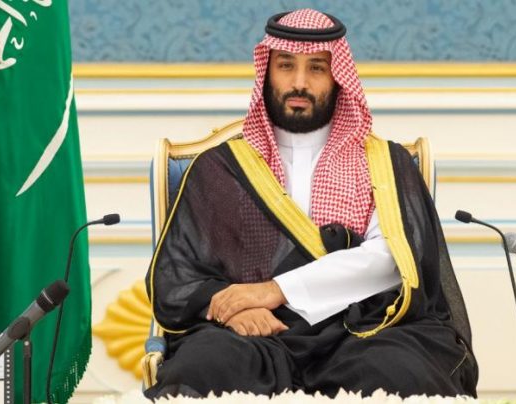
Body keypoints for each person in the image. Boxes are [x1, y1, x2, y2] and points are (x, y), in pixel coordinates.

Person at [144, 9, 478, 400]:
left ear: (338, 77)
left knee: (400, 371)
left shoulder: (386, 164)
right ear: (267, 73)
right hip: (255, 332)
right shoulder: (219, 169)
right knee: (206, 365)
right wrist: (229, 307)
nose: (299, 83)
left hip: (365, 328)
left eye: (316, 68)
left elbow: (393, 258)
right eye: (286, 66)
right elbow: (179, 271)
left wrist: (275, 289)